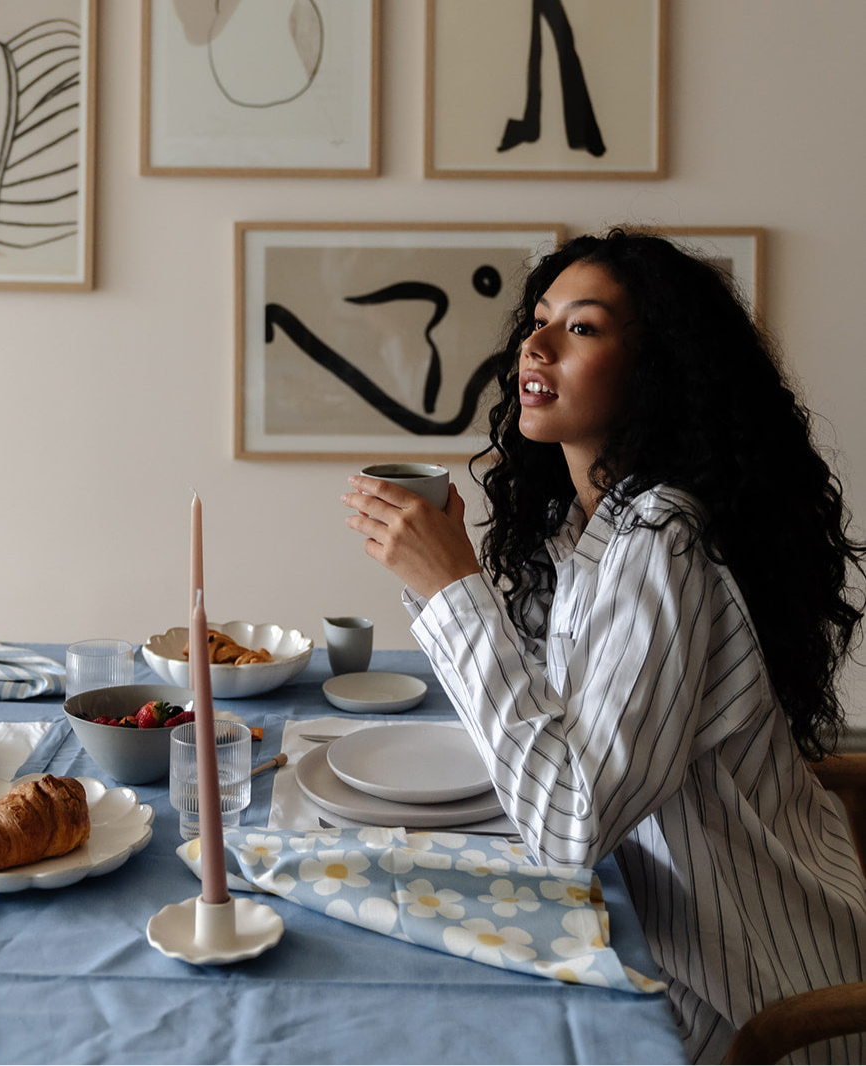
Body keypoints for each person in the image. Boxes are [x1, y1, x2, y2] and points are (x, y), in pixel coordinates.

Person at [342, 229, 866, 1065]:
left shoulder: (663, 540)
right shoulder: (582, 528)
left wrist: (450, 589)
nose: (535, 344)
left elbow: (569, 822)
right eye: (538, 319)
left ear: (656, 367)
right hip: (644, 938)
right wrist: (444, 580)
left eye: (581, 328)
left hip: (742, 1006)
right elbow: (538, 733)